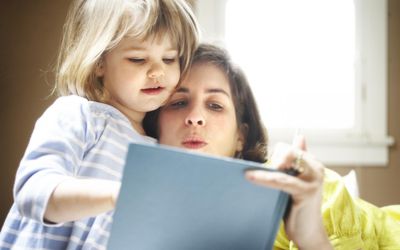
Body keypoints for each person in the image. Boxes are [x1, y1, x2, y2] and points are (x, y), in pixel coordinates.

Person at [143, 44, 400, 249]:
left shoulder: (301, 192)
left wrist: (311, 239)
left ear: (240, 136)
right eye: (178, 102)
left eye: (215, 105)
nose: (195, 117)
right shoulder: (139, 212)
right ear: (156, 125)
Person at [0, 0, 198, 249]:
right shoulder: (78, 115)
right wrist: (120, 193)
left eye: (169, 59)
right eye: (138, 59)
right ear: (99, 63)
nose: (158, 72)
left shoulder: (160, 146)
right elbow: (33, 193)